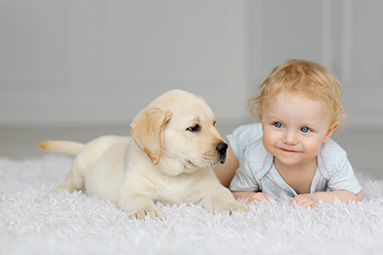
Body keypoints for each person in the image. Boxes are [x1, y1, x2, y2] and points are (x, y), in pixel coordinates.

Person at [214, 59, 363, 208]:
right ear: (262, 118)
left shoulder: (332, 158)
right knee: (216, 180)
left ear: (327, 132)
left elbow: (354, 195)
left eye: (305, 129)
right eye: (278, 124)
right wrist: (251, 196)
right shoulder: (254, 157)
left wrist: (317, 198)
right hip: (241, 145)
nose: (289, 139)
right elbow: (235, 191)